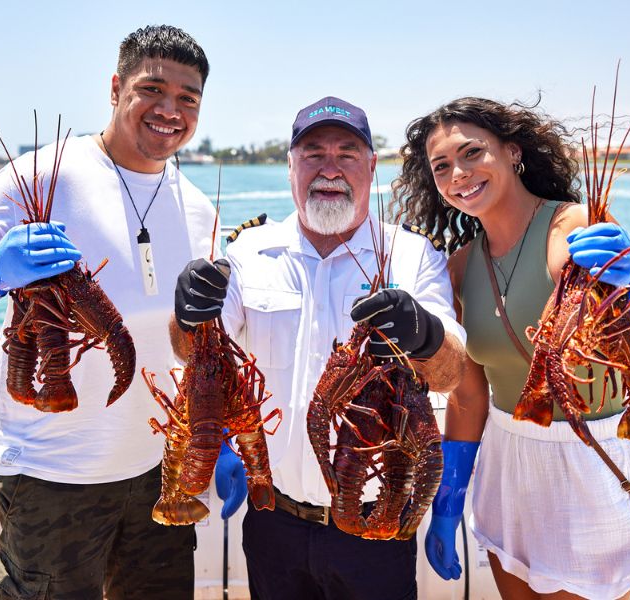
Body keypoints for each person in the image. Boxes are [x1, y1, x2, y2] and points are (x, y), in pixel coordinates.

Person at [0, 25, 215, 600]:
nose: (169, 109)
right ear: (115, 88)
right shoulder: (40, 174)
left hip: (161, 471)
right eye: (152, 89)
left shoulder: (196, 208)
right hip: (52, 476)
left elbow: (183, 340)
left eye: (187, 98)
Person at [169, 96, 468, 600]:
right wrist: (187, 313)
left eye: (347, 154)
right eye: (313, 154)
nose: (330, 169)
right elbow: (192, 351)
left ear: (372, 166)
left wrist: (425, 335)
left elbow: (450, 372)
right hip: (274, 520)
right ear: (290, 165)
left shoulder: (414, 254)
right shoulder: (248, 251)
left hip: (381, 519)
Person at [393, 97, 630, 600]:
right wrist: (450, 499)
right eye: (442, 166)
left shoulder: (577, 228)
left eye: (473, 153)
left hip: (588, 456)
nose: (459, 173)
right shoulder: (458, 267)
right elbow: (469, 395)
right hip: (507, 459)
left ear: (513, 152)